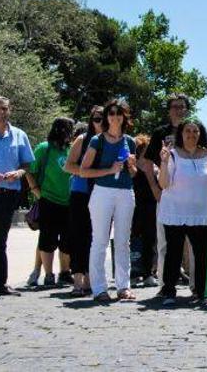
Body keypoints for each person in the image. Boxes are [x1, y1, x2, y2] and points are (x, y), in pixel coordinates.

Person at [79, 99, 138, 302]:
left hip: (125, 192)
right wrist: (109, 170)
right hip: (102, 192)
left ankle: (123, 287)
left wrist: (131, 165)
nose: (114, 116)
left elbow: (133, 173)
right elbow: (83, 171)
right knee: (100, 241)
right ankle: (99, 288)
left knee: (123, 241)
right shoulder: (98, 140)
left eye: (118, 113)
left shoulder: (130, 141)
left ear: (124, 117)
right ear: (107, 117)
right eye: (111, 113)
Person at [157, 118, 207, 306]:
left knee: (202, 254)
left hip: (202, 214)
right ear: (181, 134)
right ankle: (169, 291)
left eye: (195, 131)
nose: (191, 135)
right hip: (176, 212)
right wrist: (164, 163)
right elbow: (163, 184)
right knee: (173, 253)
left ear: (201, 134)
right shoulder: (172, 155)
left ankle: (202, 292)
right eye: (187, 131)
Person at [0, 96, 35, 296]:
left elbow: (27, 164)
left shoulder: (19, 135)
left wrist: (19, 173)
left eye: (4, 108)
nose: (1, 112)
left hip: (7, 195)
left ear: (10, 110)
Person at [142, 94, 190, 287]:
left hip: (191, 194)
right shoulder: (160, 132)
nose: (178, 110)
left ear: (187, 109)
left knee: (193, 242)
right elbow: (145, 162)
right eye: (175, 107)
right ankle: (163, 284)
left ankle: (197, 286)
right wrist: (155, 188)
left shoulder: (195, 130)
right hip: (167, 192)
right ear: (169, 110)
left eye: (182, 107)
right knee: (163, 242)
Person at [24, 117, 75, 287]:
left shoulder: (71, 149)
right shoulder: (44, 148)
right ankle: (48, 275)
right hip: (48, 200)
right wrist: (36, 191)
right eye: (66, 128)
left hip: (68, 202)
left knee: (67, 240)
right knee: (47, 239)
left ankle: (65, 272)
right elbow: (29, 170)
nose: (68, 132)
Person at [63, 108, 103, 296]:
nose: (100, 122)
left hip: (104, 194)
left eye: (104, 118)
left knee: (96, 238)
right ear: (91, 120)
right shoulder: (82, 139)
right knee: (79, 236)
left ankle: (91, 278)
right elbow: (68, 166)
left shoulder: (114, 141)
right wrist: (87, 172)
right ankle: (78, 280)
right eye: (96, 119)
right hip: (81, 193)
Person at [131, 135, 158, 287]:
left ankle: (148, 273)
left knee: (150, 239)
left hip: (151, 206)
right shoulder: (132, 165)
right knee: (134, 239)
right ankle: (133, 274)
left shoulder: (154, 166)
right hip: (134, 206)